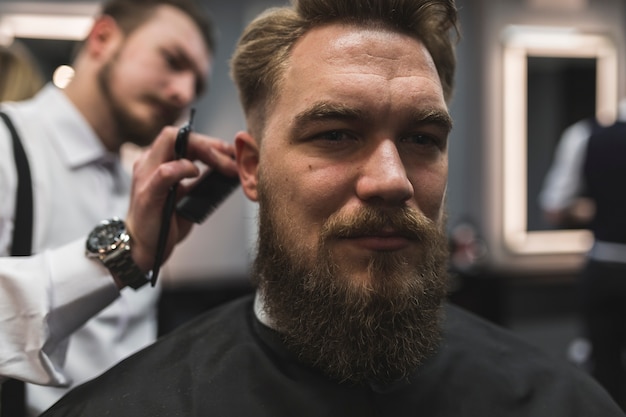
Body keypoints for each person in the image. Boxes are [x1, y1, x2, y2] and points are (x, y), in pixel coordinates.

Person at [41, 0, 624, 415]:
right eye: (336, 134)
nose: (392, 181)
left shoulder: (562, 402)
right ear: (250, 167)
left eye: (423, 139)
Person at [0, 0, 237, 415]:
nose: (183, 91)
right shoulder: (6, 147)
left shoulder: (138, 188)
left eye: (196, 85)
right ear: (103, 38)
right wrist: (123, 256)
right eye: (171, 60)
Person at [539, 99, 626, 409]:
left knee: (603, 376)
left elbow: (555, 208)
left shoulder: (586, 135)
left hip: (605, 267)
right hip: (605, 266)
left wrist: (599, 210)